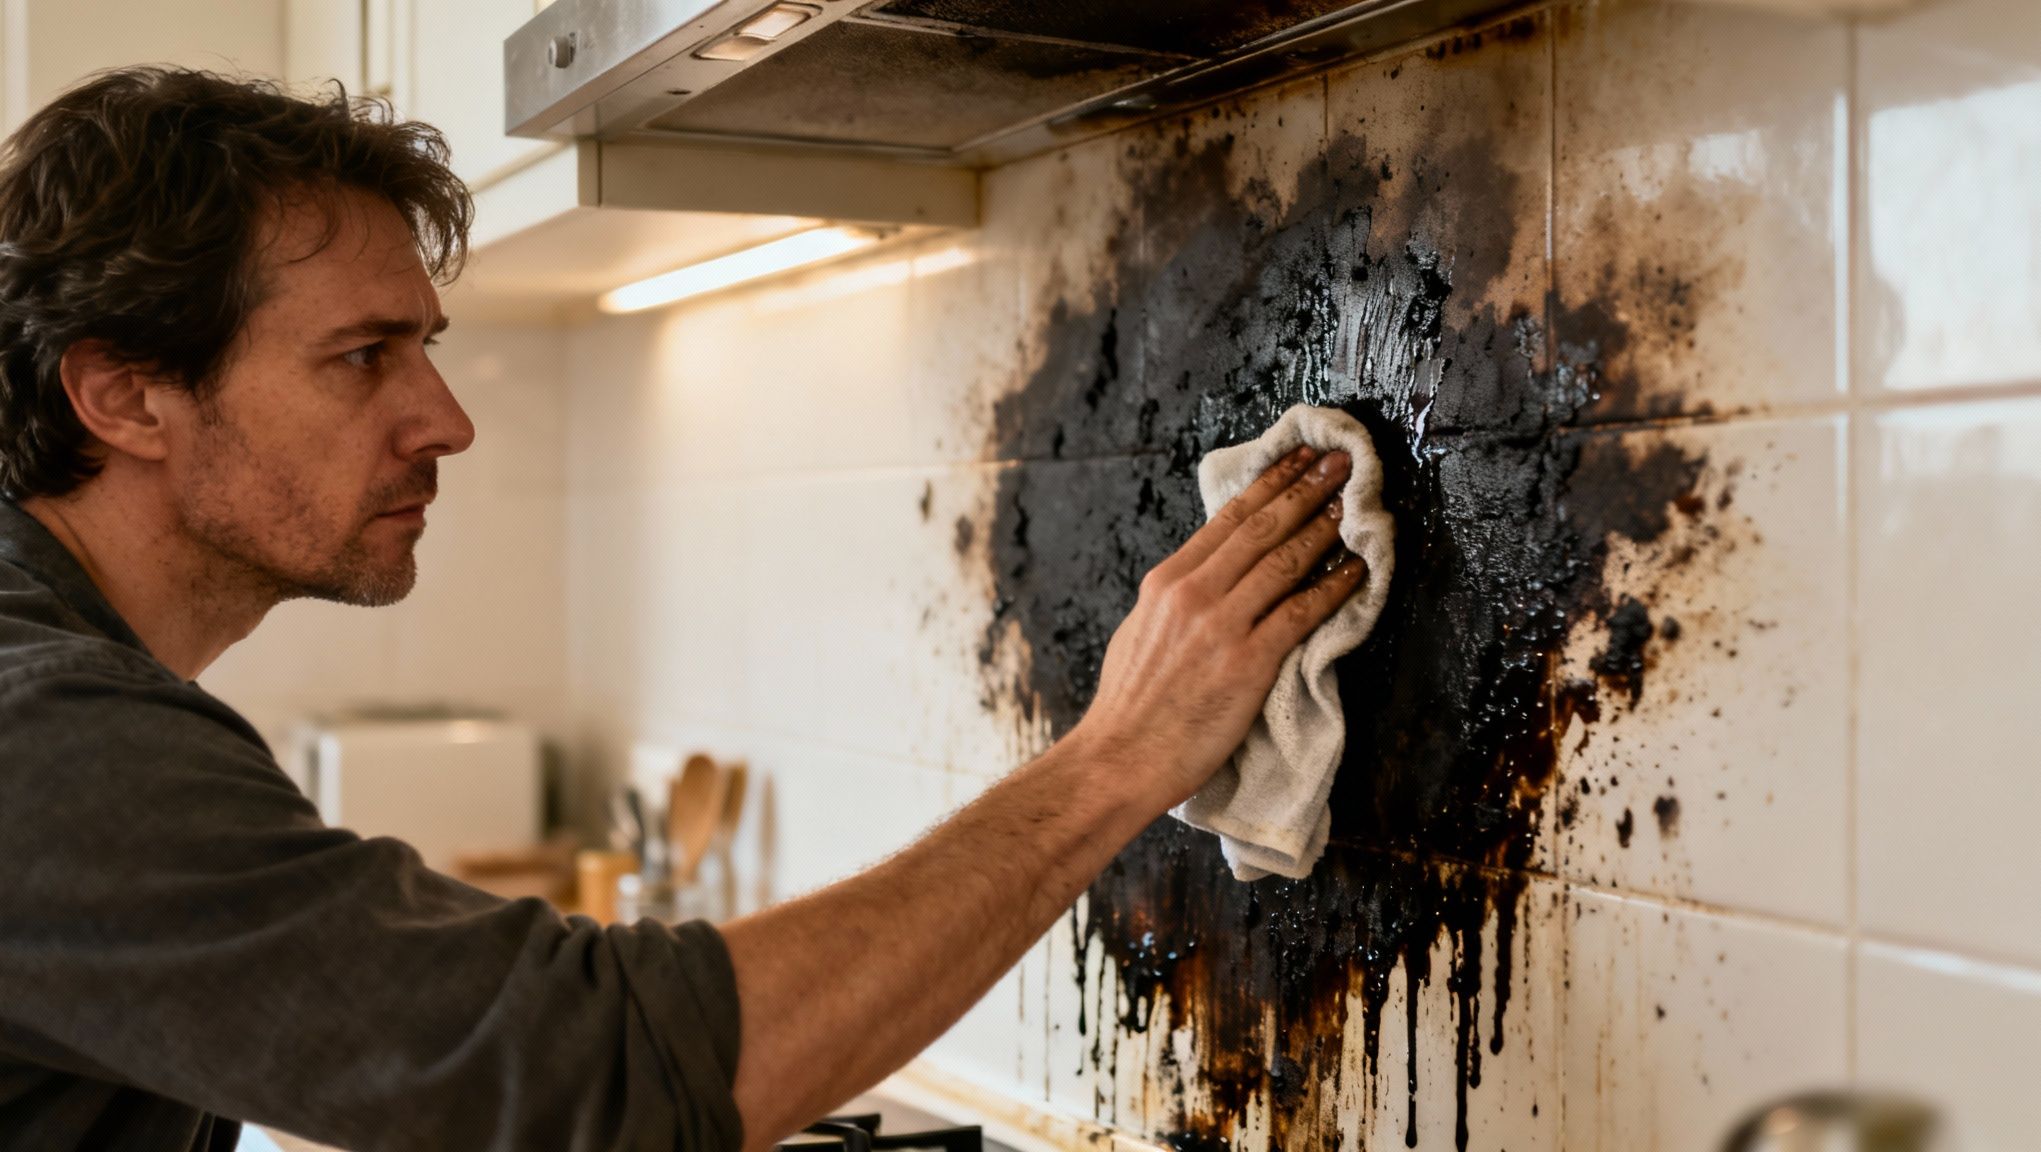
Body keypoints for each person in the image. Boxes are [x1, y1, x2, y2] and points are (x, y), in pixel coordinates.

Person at [0, 68, 1365, 1152]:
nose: (449, 421)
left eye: (426, 349)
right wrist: (1117, 756)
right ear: (123, 395)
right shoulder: (47, 745)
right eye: (362, 357)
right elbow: (589, 1078)